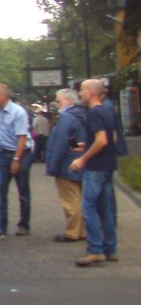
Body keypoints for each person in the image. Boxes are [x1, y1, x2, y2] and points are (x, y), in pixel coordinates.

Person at [69, 78, 118, 266]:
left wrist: (83, 158)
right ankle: (110, 249)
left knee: (88, 207)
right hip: (107, 165)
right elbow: (111, 137)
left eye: (82, 89)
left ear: (92, 92)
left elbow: (102, 140)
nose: (79, 93)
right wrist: (87, 145)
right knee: (105, 209)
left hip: (95, 168)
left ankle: (95, 250)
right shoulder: (108, 111)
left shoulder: (93, 114)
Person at [0, 84, 34, 235]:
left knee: (23, 191)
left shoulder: (18, 112)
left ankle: (24, 225)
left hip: (20, 153)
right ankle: (2, 226)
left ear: (3, 95)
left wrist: (16, 159)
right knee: (1, 191)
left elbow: (21, 137)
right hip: (2, 154)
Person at [45, 88, 87, 243]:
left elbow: (60, 143)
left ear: (68, 101)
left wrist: (53, 165)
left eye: (58, 100)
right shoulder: (81, 115)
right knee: (78, 198)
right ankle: (82, 231)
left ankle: (72, 232)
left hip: (66, 164)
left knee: (69, 200)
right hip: (78, 160)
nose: (56, 104)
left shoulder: (66, 118)